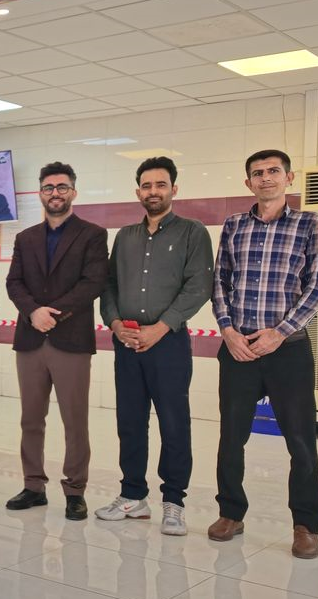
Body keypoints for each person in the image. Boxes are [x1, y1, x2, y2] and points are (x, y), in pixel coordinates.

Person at [209, 150, 318, 559]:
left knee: (300, 440)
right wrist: (228, 331)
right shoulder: (234, 225)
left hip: (287, 350)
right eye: (257, 173)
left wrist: (280, 333)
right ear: (248, 183)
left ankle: (306, 525)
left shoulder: (310, 223)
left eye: (273, 171)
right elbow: (220, 281)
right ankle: (231, 513)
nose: (265, 178)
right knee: (231, 438)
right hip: (238, 348)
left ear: (288, 177)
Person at [97, 157, 213, 536]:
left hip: (168, 344)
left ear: (174, 189)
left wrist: (160, 328)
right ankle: (133, 495)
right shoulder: (125, 236)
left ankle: (174, 501)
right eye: (146, 185)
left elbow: (198, 286)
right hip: (128, 343)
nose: (153, 191)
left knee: (173, 423)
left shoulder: (193, 233)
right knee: (130, 423)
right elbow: (109, 285)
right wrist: (115, 324)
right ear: (138, 192)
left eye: (161, 184)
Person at [4, 161, 108, 521]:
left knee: (74, 421)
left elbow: (93, 283)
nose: (55, 193)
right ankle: (33, 486)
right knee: (31, 419)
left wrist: (53, 314)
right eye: (49, 187)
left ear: (73, 192)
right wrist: (33, 312)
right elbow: (14, 282)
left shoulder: (92, 235)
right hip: (30, 340)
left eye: (62, 187)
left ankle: (75, 490)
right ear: (40, 193)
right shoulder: (25, 238)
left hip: (71, 341)